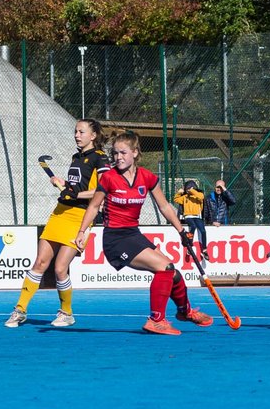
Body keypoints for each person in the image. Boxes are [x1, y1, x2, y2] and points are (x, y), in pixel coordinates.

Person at [74, 130, 213, 335]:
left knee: (173, 274)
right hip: (115, 239)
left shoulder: (147, 177)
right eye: (115, 153)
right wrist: (82, 231)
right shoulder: (109, 178)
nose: (118, 157)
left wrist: (181, 231)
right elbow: (94, 207)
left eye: (123, 153)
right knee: (164, 268)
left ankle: (185, 311)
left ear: (135, 153)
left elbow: (165, 206)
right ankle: (156, 319)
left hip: (133, 235)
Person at [5, 119, 108, 327]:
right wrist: (62, 184)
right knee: (40, 263)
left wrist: (75, 193)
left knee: (61, 268)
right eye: (75, 131)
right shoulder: (75, 157)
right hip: (60, 213)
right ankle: (20, 310)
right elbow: (74, 187)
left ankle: (66, 313)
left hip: (81, 216)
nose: (77, 135)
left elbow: (103, 191)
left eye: (81, 132)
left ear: (93, 136)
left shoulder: (100, 159)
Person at [173, 179, 208, 259]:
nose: (188, 190)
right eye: (187, 189)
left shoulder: (198, 195)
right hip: (188, 216)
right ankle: (190, 245)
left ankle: (204, 249)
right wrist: (179, 193)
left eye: (190, 188)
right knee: (193, 227)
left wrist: (192, 190)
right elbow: (176, 199)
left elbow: (201, 197)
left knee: (203, 230)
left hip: (197, 216)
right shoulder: (185, 197)